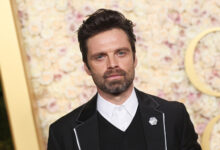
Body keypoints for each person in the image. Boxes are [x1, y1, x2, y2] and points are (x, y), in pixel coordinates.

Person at [47, 9, 201, 150]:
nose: (112, 64)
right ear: (87, 67)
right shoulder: (62, 133)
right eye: (100, 57)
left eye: (121, 53)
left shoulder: (173, 116)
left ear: (134, 59)